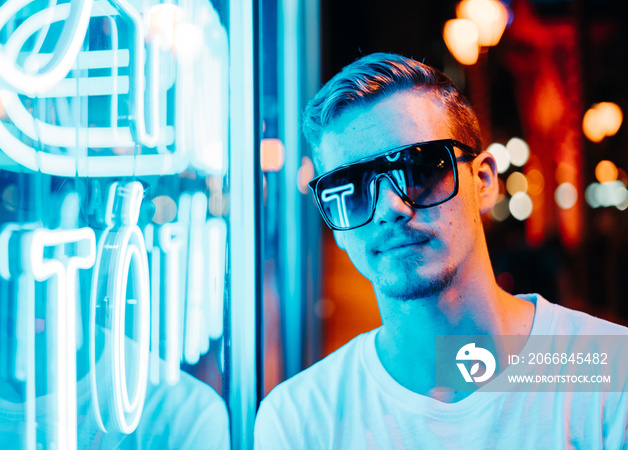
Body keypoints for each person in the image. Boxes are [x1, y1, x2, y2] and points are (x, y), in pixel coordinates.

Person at [254, 53, 628, 448]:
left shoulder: (609, 376)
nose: (390, 209)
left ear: (483, 181)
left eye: (420, 169)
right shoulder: (300, 420)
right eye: (353, 189)